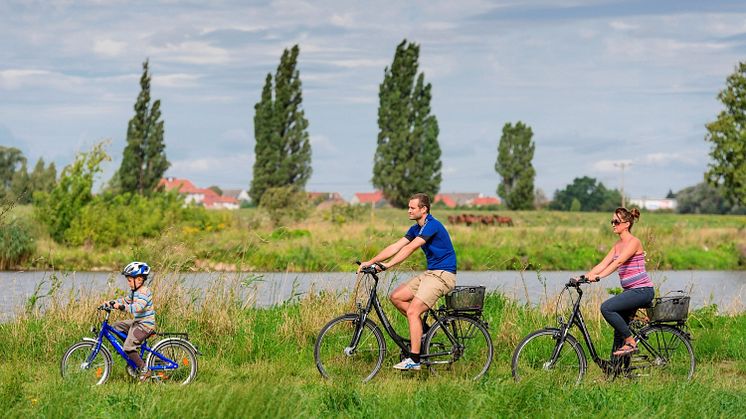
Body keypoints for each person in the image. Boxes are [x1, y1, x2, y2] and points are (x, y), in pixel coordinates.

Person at [360, 193, 457, 370]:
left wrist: (387, 265)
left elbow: (411, 247)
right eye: (408, 207)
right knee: (396, 297)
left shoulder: (432, 225)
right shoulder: (415, 228)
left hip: (443, 275)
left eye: (412, 207)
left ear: (424, 209)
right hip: (430, 273)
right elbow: (396, 246)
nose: (409, 210)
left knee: (413, 311)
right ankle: (424, 331)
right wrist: (371, 261)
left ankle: (414, 360)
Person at [581, 208, 654, 357]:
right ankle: (618, 371)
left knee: (607, 308)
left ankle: (631, 342)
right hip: (631, 292)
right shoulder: (617, 246)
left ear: (626, 224)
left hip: (642, 290)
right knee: (619, 329)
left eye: (616, 221)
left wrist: (599, 277)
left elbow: (618, 262)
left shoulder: (634, 242)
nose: (613, 224)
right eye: (612, 221)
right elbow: (602, 264)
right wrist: (583, 277)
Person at [102, 261, 156, 382]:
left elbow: (138, 307)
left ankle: (144, 369)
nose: (128, 282)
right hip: (137, 322)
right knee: (116, 327)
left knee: (128, 346)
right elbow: (125, 301)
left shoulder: (144, 292)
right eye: (128, 280)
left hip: (145, 325)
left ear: (140, 280)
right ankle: (132, 352)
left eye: (130, 280)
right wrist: (111, 302)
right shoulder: (134, 292)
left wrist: (121, 307)